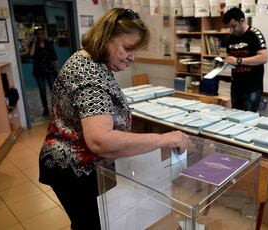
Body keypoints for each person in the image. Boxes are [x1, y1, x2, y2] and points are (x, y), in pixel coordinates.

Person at [38, 8, 189, 230]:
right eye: (128, 48)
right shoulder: (88, 75)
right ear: (106, 37)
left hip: (80, 166)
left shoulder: (92, 62)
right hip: (74, 169)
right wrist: (163, 139)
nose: (132, 57)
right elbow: (100, 141)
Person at [222, 7, 268, 112]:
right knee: (235, 119)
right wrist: (224, 63)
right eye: (230, 28)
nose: (232, 30)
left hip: (251, 88)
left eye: (234, 26)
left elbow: (264, 57)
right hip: (236, 87)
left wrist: (239, 61)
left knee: (248, 120)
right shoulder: (230, 39)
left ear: (242, 20)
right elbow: (231, 59)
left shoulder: (254, 34)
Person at [29, 28, 58, 116]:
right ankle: (45, 109)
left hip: (49, 69)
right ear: (36, 35)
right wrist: (34, 42)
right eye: (39, 34)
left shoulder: (49, 43)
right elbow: (31, 54)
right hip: (38, 71)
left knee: (53, 90)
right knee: (42, 91)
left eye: (42, 33)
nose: (41, 35)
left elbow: (54, 57)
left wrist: (57, 68)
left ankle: (55, 109)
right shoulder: (33, 44)